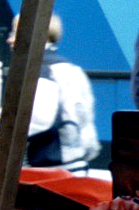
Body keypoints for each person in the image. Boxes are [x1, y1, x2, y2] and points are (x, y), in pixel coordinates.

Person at [12, 13, 102, 169]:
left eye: (14, 33)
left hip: (51, 169)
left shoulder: (39, 71)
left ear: (27, 35)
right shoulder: (74, 70)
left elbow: (34, 121)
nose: (10, 39)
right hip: (78, 164)